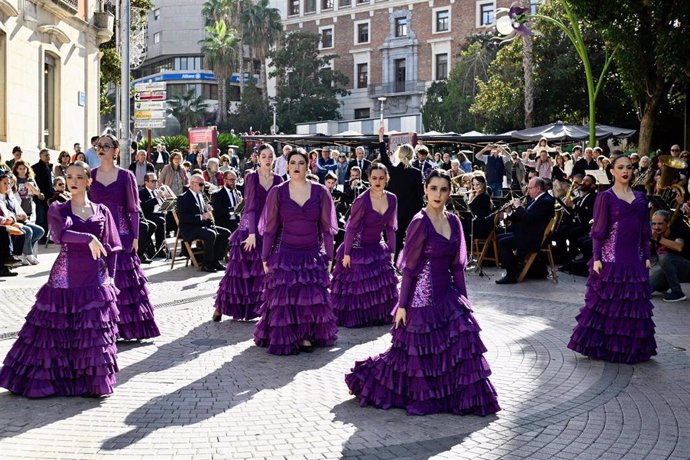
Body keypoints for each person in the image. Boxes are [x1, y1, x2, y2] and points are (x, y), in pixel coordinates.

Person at [345, 169, 500, 416]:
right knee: (412, 359)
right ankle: (370, 380)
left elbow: (457, 268)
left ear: (450, 192)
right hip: (420, 300)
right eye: (433, 188)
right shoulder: (419, 222)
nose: (438, 194)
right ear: (426, 190)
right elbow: (410, 270)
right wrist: (402, 306)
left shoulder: (454, 221)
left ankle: (455, 396)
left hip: (448, 296)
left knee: (462, 341)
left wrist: (465, 302)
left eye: (444, 189)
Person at [0, 161, 122, 397]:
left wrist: (112, 278)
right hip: (65, 276)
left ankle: (90, 383)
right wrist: (88, 238)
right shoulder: (59, 208)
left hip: (95, 277)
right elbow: (60, 235)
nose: (73, 181)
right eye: (69, 177)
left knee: (92, 332)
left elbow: (112, 247)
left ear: (89, 181)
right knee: (52, 332)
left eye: (78, 177)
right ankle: (50, 381)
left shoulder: (102, 211)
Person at [567, 155, 656, 364]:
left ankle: (630, 348)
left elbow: (645, 231)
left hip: (635, 259)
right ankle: (605, 347)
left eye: (629, 167)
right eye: (620, 167)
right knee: (608, 304)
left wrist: (647, 256)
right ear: (612, 172)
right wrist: (597, 258)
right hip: (611, 259)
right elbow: (598, 231)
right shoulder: (605, 197)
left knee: (633, 305)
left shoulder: (641, 198)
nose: (625, 171)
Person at [254, 148, 338, 355]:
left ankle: (306, 335)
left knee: (309, 298)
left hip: (311, 254)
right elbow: (270, 228)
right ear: (287, 166)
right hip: (286, 254)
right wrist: (265, 256)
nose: (297, 167)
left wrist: (330, 256)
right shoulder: (278, 192)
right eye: (293, 163)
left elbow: (327, 229)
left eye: (301, 163)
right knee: (286, 299)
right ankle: (288, 335)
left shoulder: (320, 192)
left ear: (308, 165)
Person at [91, 134, 160, 340]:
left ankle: (128, 329)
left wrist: (136, 236)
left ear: (116, 151)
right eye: (98, 145)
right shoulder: (90, 175)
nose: (101, 148)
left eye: (106, 145)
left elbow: (134, 209)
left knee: (124, 282)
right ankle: (103, 327)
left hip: (122, 235)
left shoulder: (126, 176)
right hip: (98, 235)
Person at [214, 145, 282, 322]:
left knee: (264, 271)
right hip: (249, 229)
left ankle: (263, 309)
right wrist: (251, 233)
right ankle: (221, 306)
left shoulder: (280, 179)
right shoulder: (251, 177)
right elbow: (250, 206)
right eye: (264, 156)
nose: (267, 160)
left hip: (269, 230)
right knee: (237, 272)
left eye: (270, 156)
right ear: (257, 158)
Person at [331, 163, 398, 327]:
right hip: (357, 248)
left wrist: (392, 251)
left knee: (382, 283)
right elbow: (351, 229)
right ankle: (360, 317)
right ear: (368, 179)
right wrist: (346, 254)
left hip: (377, 246)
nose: (377, 181)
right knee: (359, 287)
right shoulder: (362, 200)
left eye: (381, 178)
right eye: (374, 178)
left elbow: (390, 228)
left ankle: (377, 316)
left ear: (386, 179)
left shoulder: (392, 198)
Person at [495, 177, 555, 284]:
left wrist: (518, 207)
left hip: (534, 237)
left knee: (503, 242)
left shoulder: (546, 201)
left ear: (538, 188)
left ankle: (511, 275)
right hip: (527, 233)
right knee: (499, 237)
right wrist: (509, 212)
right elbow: (521, 218)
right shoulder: (534, 199)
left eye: (530, 188)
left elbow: (528, 218)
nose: (528, 190)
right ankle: (515, 268)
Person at [377, 126, 424, 258]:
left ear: (398, 155)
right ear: (412, 155)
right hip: (411, 211)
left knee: (393, 237)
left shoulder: (392, 170)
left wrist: (381, 138)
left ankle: (393, 261)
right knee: (411, 239)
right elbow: (419, 195)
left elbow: (384, 158)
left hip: (394, 210)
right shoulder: (416, 173)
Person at [176, 174, 230, 273]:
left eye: (203, 184)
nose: (202, 187)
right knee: (210, 234)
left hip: (202, 226)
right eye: (200, 184)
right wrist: (202, 216)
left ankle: (215, 260)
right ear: (192, 184)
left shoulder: (200, 195)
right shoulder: (183, 198)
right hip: (189, 229)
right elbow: (183, 218)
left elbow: (203, 213)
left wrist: (208, 211)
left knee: (225, 232)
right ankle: (207, 263)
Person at [0, 173, 44, 265]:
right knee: (27, 231)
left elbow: (18, 207)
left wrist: (22, 215)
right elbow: (5, 213)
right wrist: (14, 217)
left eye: (9, 183)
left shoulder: (10, 194)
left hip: (18, 220)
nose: (8, 186)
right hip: (10, 222)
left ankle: (25, 251)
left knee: (40, 231)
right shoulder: (1, 197)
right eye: (5, 183)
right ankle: (27, 254)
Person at [649, 209, 690, 302]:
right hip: (668, 270)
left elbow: (678, 246)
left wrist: (658, 238)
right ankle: (663, 285)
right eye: (654, 224)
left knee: (665, 257)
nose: (656, 227)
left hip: (687, 267)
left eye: (660, 224)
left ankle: (677, 293)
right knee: (644, 288)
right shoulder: (656, 233)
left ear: (668, 224)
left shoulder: (679, 230)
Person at [139, 172, 168, 257]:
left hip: (157, 213)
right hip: (147, 215)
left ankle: (163, 246)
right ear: (146, 182)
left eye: (156, 181)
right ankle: (160, 248)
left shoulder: (156, 191)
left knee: (169, 218)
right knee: (161, 221)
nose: (155, 183)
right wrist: (156, 199)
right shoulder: (142, 192)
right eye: (153, 181)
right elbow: (143, 206)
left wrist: (164, 199)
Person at [462, 175, 494, 244]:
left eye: (478, 184)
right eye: (473, 185)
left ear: (483, 184)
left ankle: (465, 251)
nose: (475, 187)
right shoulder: (475, 196)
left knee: (459, 229)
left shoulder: (484, 197)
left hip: (481, 227)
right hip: (475, 224)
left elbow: (470, 209)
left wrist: (462, 199)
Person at [32, 149, 54, 240]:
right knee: (41, 217)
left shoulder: (49, 167)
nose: (47, 157)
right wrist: (37, 193)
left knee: (47, 217)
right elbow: (33, 182)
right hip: (40, 197)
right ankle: (39, 237)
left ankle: (46, 237)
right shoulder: (35, 168)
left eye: (48, 155)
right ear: (40, 156)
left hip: (49, 196)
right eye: (45, 155)